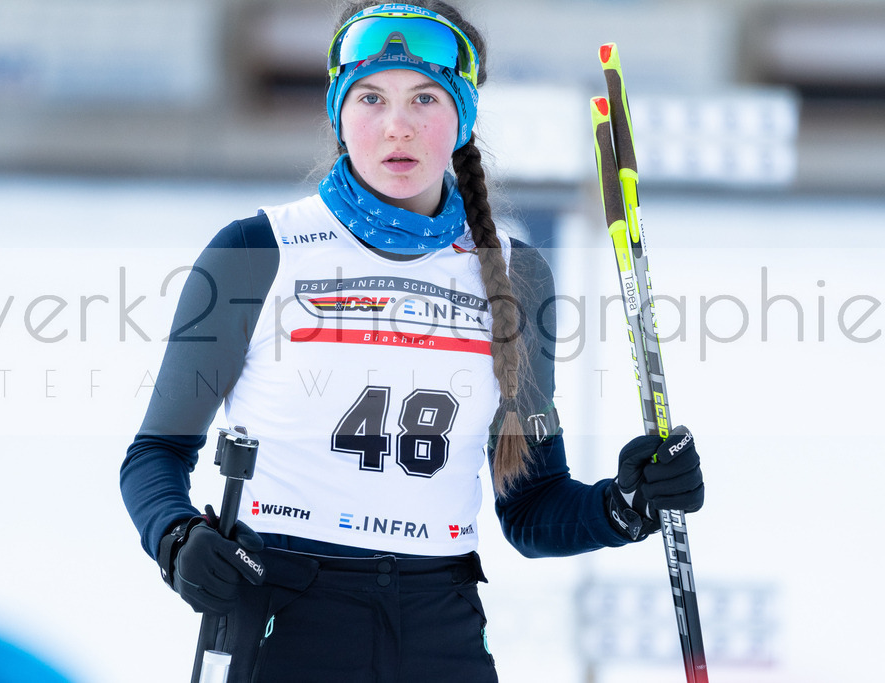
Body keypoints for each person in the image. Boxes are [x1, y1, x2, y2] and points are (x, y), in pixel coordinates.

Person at [120, 2, 705, 681]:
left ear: (463, 115)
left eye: (425, 97)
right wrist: (177, 536)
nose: (397, 124)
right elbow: (154, 453)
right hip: (283, 613)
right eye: (371, 97)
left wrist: (625, 504)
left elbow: (531, 505)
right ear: (339, 112)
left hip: (440, 622)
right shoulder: (257, 250)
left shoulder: (517, 276)